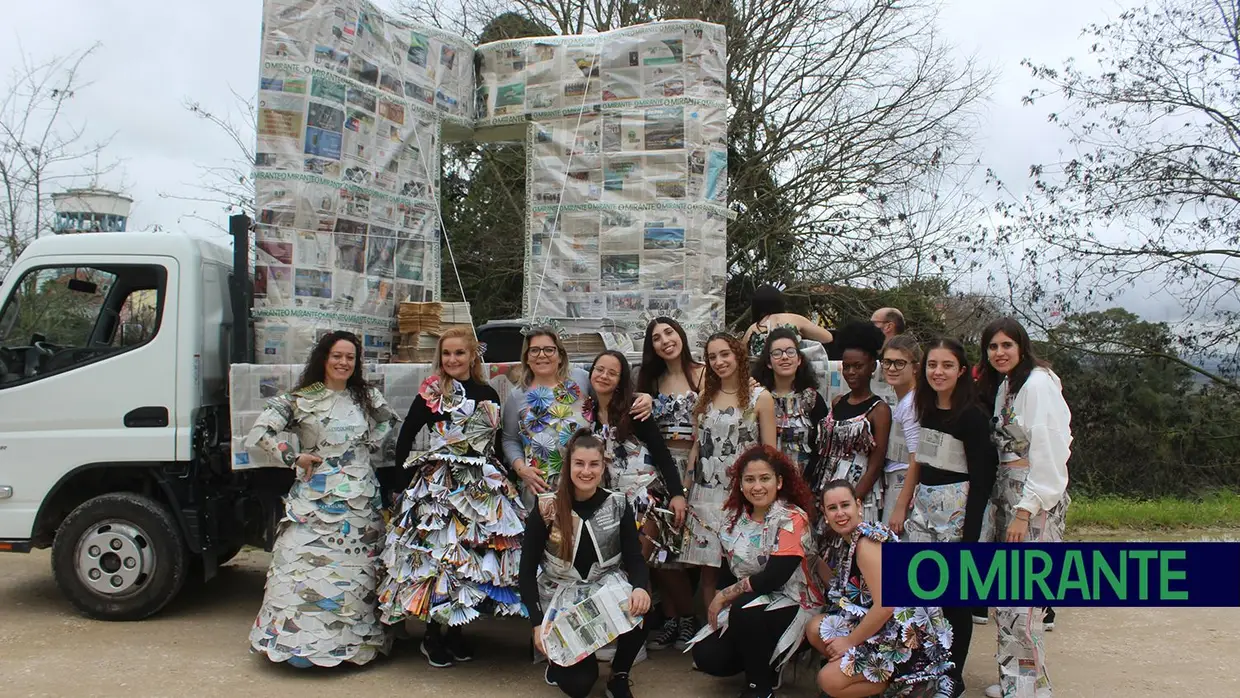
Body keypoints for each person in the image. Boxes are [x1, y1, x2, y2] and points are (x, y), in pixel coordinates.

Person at [245, 330, 399, 667]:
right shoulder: (302, 397)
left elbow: (391, 422)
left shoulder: (366, 396)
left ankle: (353, 644)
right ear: (324, 359)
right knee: (302, 567)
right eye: (337, 356)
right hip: (313, 501)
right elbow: (260, 432)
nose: (343, 363)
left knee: (356, 572)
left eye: (350, 358)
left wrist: (369, 444)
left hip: (359, 501)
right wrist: (293, 457)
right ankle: (298, 647)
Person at [377, 327, 525, 667]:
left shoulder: (488, 392)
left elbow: (494, 439)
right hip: (439, 488)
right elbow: (407, 436)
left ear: (472, 356)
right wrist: (402, 481)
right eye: (447, 354)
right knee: (439, 558)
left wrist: (506, 478)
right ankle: (431, 634)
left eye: (459, 353)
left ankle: (456, 631)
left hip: (480, 485)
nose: (452, 360)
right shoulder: (431, 391)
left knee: (468, 560)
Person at [977, 318, 1073, 698]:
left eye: (1006, 345)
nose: (1000, 353)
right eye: (992, 347)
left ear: (1021, 346)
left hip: (1031, 500)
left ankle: (1027, 687)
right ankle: (1021, 681)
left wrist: (1025, 510)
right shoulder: (1008, 386)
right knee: (1010, 597)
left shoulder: (1038, 383)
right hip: (1008, 492)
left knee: (1023, 599)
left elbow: (1049, 451)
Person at [520, 430, 652, 698]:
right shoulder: (547, 507)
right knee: (580, 685)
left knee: (640, 604)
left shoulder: (617, 504)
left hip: (603, 586)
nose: (586, 471)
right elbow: (525, 571)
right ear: (569, 465)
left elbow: (634, 557)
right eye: (579, 463)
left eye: (594, 464)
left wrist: (639, 587)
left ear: (603, 466)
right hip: (560, 593)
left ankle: (619, 674)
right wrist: (536, 624)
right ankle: (558, 662)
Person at [902, 337, 998, 695]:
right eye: (932, 365)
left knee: (955, 598)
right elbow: (922, 462)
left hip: (957, 511)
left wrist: (969, 537)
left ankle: (951, 675)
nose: (938, 372)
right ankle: (925, 664)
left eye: (946, 365)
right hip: (924, 509)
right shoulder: (927, 408)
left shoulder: (972, 416)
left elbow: (982, 479)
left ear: (961, 370)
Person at [689, 446, 823, 698]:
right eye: (749, 479)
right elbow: (729, 571)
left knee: (744, 609)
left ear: (779, 482)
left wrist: (723, 596)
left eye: (765, 478)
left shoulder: (792, 518)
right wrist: (721, 608)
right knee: (708, 655)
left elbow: (773, 578)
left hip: (796, 602)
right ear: (740, 484)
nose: (757, 486)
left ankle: (758, 686)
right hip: (748, 606)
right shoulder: (731, 519)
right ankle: (765, 662)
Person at [807, 480, 955, 698]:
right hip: (884, 626)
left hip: (903, 640)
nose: (840, 513)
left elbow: (886, 605)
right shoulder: (854, 537)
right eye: (832, 508)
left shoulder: (866, 544)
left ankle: (895, 687)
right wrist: (812, 560)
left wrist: (848, 642)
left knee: (827, 680)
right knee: (815, 627)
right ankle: (859, 678)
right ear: (825, 515)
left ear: (858, 506)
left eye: (845, 505)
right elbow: (847, 591)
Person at [503, 327, 651, 507]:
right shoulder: (517, 395)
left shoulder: (580, 379)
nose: (542, 355)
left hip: (587, 480)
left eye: (549, 349)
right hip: (541, 486)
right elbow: (510, 439)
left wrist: (643, 397)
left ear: (560, 354)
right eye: (534, 350)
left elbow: (612, 395)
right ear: (526, 357)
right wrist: (522, 470)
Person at [682, 332, 777, 608]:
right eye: (712, 357)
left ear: (738, 355)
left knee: (748, 563)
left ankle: (743, 623)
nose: (719, 361)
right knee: (708, 571)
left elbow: (770, 451)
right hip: (705, 495)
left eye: (725, 354)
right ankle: (711, 630)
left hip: (745, 494)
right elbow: (697, 447)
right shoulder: (704, 397)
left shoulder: (760, 397)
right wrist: (685, 490)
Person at [635, 317, 705, 650]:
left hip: (697, 469)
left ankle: (691, 619)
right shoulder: (652, 381)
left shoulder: (703, 373)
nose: (665, 341)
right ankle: (677, 618)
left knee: (689, 553)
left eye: (669, 333)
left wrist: (690, 475)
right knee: (658, 553)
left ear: (681, 334)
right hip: (659, 473)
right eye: (657, 338)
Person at [811, 322, 891, 521]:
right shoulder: (838, 402)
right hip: (826, 489)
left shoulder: (879, 410)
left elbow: (875, 463)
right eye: (846, 367)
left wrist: (852, 501)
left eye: (858, 366)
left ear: (872, 366)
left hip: (856, 493)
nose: (851, 372)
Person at [752, 327, 827, 479]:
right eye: (777, 353)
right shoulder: (757, 397)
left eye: (790, 352)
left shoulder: (812, 399)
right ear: (768, 362)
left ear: (799, 359)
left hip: (804, 481)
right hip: (763, 481)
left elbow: (822, 448)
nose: (784, 357)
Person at [879, 334, 921, 529]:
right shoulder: (903, 400)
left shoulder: (912, 404)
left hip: (903, 482)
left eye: (899, 363)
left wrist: (900, 506)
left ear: (915, 367)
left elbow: (916, 458)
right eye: (887, 362)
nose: (891, 368)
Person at [741, 284, 834, 359]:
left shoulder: (752, 329)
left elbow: (742, 357)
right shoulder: (794, 319)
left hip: (762, 378)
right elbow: (828, 337)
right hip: (794, 372)